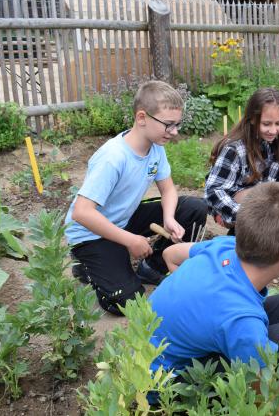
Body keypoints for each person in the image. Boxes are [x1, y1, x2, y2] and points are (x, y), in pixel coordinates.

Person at [151, 182, 279, 411]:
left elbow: (170, 254)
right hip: (166, 388)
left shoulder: (225, 246)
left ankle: (266, 375)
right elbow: (268, 406)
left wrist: (196, 296)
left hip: (168, 347)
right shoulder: (242, 321)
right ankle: (261, 390)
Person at [64, 80, 208, 316]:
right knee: (127, 302)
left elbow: (169, 190)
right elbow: (82, 212)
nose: (175, 132)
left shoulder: (155, 147)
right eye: (169, 125)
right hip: (90, 233)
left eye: (178, 125)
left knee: (194, 208)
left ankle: (153, 267)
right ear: (142, 118)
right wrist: (130, 240)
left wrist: (169, 218)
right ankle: (86, 266)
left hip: (123, 219)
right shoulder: (113, 157)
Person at [204, 87, 279, 235]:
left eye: (278, 124)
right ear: (252, 119)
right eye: (266, 124)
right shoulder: (234, 149)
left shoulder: (278, 142)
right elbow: (214, 190)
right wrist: (243, 217)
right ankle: (244, 236)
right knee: (263, 194)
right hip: (238, 210)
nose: (273, 130)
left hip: (266, 207)